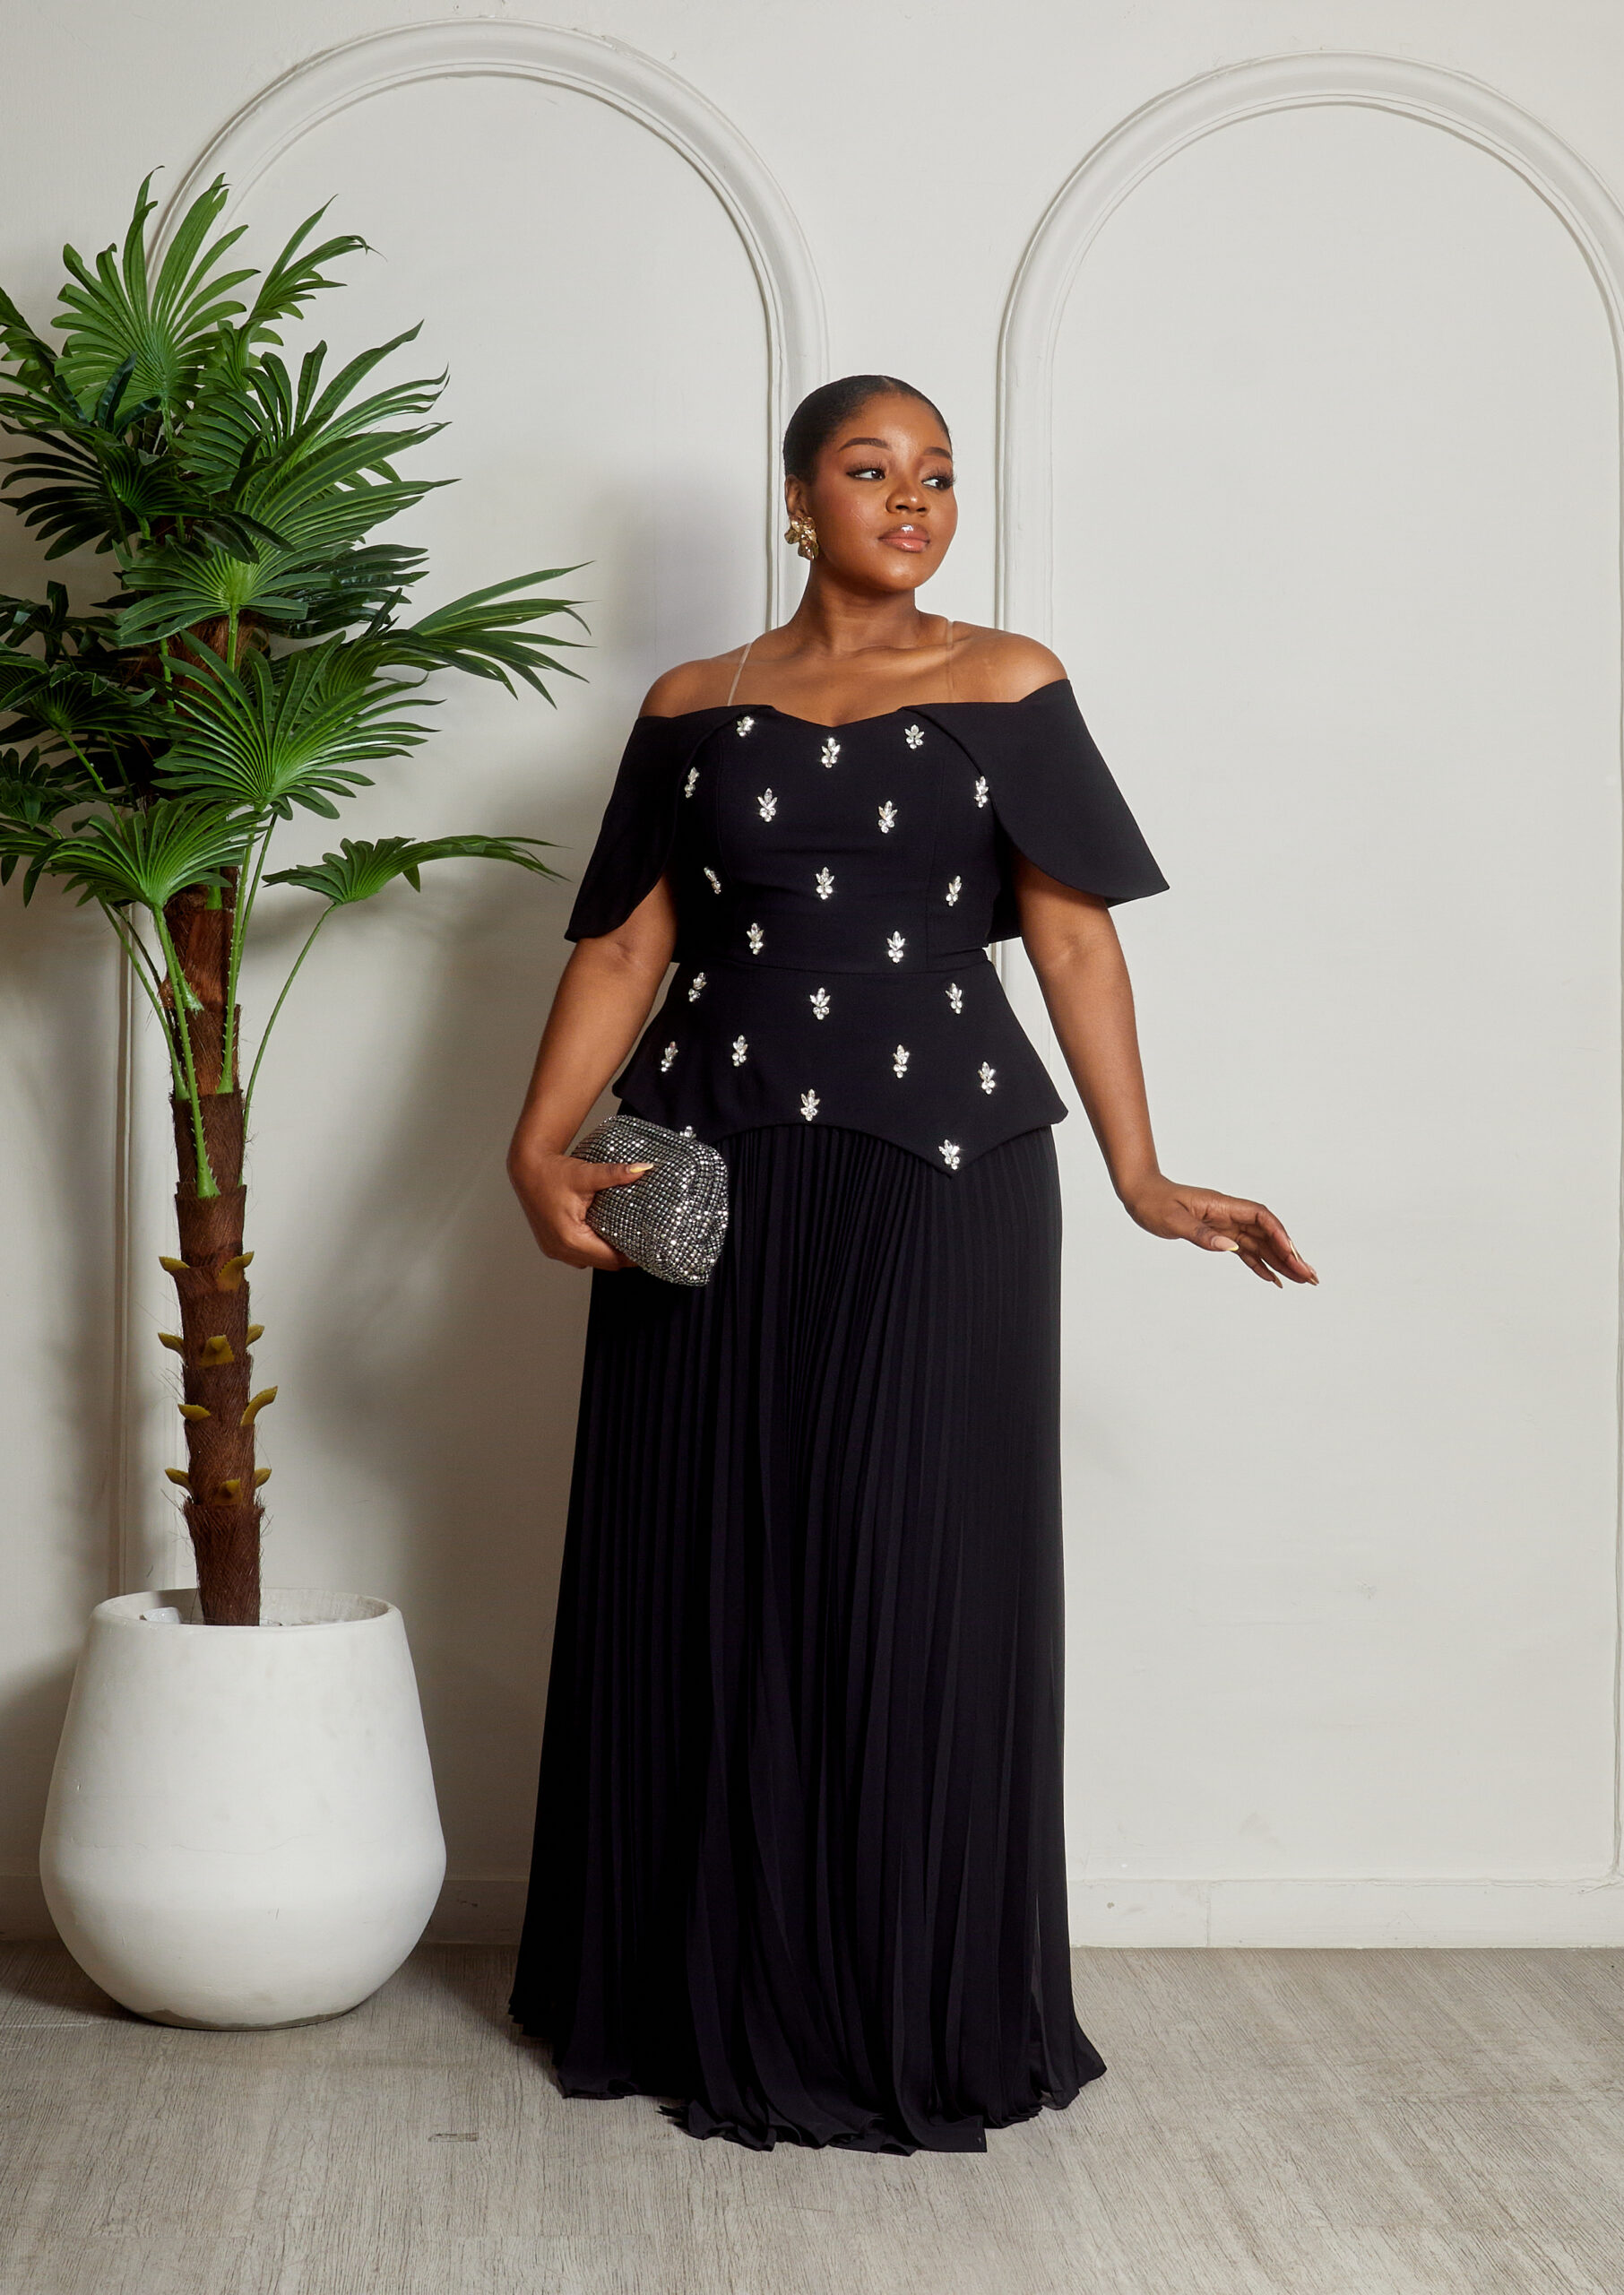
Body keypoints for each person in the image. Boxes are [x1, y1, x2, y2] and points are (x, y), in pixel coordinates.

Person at [505, 374, 1317, 2152]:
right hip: (706, 1172)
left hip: (948, 1175)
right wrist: (532, 1143)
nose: (912, 498)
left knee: (911, 1564)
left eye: (937, 474)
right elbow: (626, 943)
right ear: (798, 499)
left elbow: (1074, 943)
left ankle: (911, 2005)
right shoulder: (690, 702)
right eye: (871, 469)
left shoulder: (1008, 680)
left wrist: (1139, 1172)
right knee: (709, 1564)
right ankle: (692, 1990)